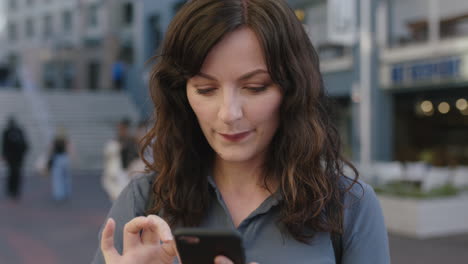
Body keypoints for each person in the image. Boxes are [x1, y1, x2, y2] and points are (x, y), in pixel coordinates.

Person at [92, 0, 390, 263]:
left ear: (292, 90)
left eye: (255, 87)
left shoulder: (351, 207)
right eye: (206, 89)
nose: (229, 113)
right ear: (182, 95)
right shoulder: (144, 201)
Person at [1, 117, 28, 200]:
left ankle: (14, 190)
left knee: (15, 174)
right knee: (13, 174)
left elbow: (24, 144)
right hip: (14, 157)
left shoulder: (16, 131)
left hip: (15, 157)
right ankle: (12, 190)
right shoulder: (9, 132)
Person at [49, 127, 72, 201]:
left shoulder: (56, 139)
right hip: (65, 158)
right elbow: (70, 149)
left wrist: (48, 157)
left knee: (57, 178)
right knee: (66, 177)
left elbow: (51, 149)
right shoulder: (65, 139)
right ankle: (67, 192)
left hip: (57, 158)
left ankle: (59, 194)